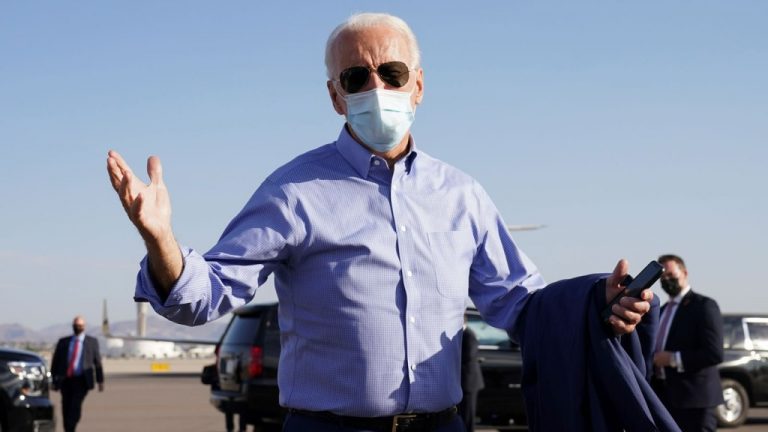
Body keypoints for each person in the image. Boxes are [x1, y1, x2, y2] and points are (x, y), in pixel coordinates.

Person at [106, 12, 654, 432]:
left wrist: (597, 305)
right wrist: (161, 241)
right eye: (356, 77)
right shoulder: (293, 192)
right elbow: (202, 297)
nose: (377, 88)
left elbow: (523, 305)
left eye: (392, 73)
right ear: (335, 97)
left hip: (442, 425)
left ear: (418, 86)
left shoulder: (462, 195)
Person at [651, 254, 724, 431]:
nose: (666, 280)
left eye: (670, 274)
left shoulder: (703, 306)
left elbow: (714, 353)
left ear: (684, 273)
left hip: (695, 401)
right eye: (662, 277)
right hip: (665, 399)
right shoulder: (660, 311)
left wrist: (673, 359)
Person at [50, 316, 104, 432]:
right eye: (76, 325)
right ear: (72, 326)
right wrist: (53, 379)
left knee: (75, 406)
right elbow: (56, 362)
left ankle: (71, 428)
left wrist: (100, 381)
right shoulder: (63, 342)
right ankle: (68, 428)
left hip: (82, 381)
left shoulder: (92, 342)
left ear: (84, 327)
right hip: (66, 380)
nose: (78, 327)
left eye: (80, 325)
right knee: (66, 406)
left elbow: (97, 362)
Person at [458, 318, 483, 432]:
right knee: (462, 415)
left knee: (468, 415)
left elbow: (469, 356)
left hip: (469, 383)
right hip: (463, 382)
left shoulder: (469, 335)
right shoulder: (461, 335)